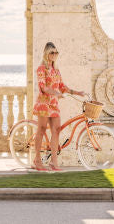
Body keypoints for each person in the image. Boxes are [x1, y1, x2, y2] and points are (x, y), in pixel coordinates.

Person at [31, 41, 85, 171]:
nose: (55, 55)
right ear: (46, 54)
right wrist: (56, 93)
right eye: (52, 52)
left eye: (56, 53)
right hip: (44, 104)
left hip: (54, 105)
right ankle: (37, 160)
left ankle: (53, 162)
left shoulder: (56, 70)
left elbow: (62, 87)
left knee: (56, 130)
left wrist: (77, 92)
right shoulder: (41, 69)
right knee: (42, 129)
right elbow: (43, 87)